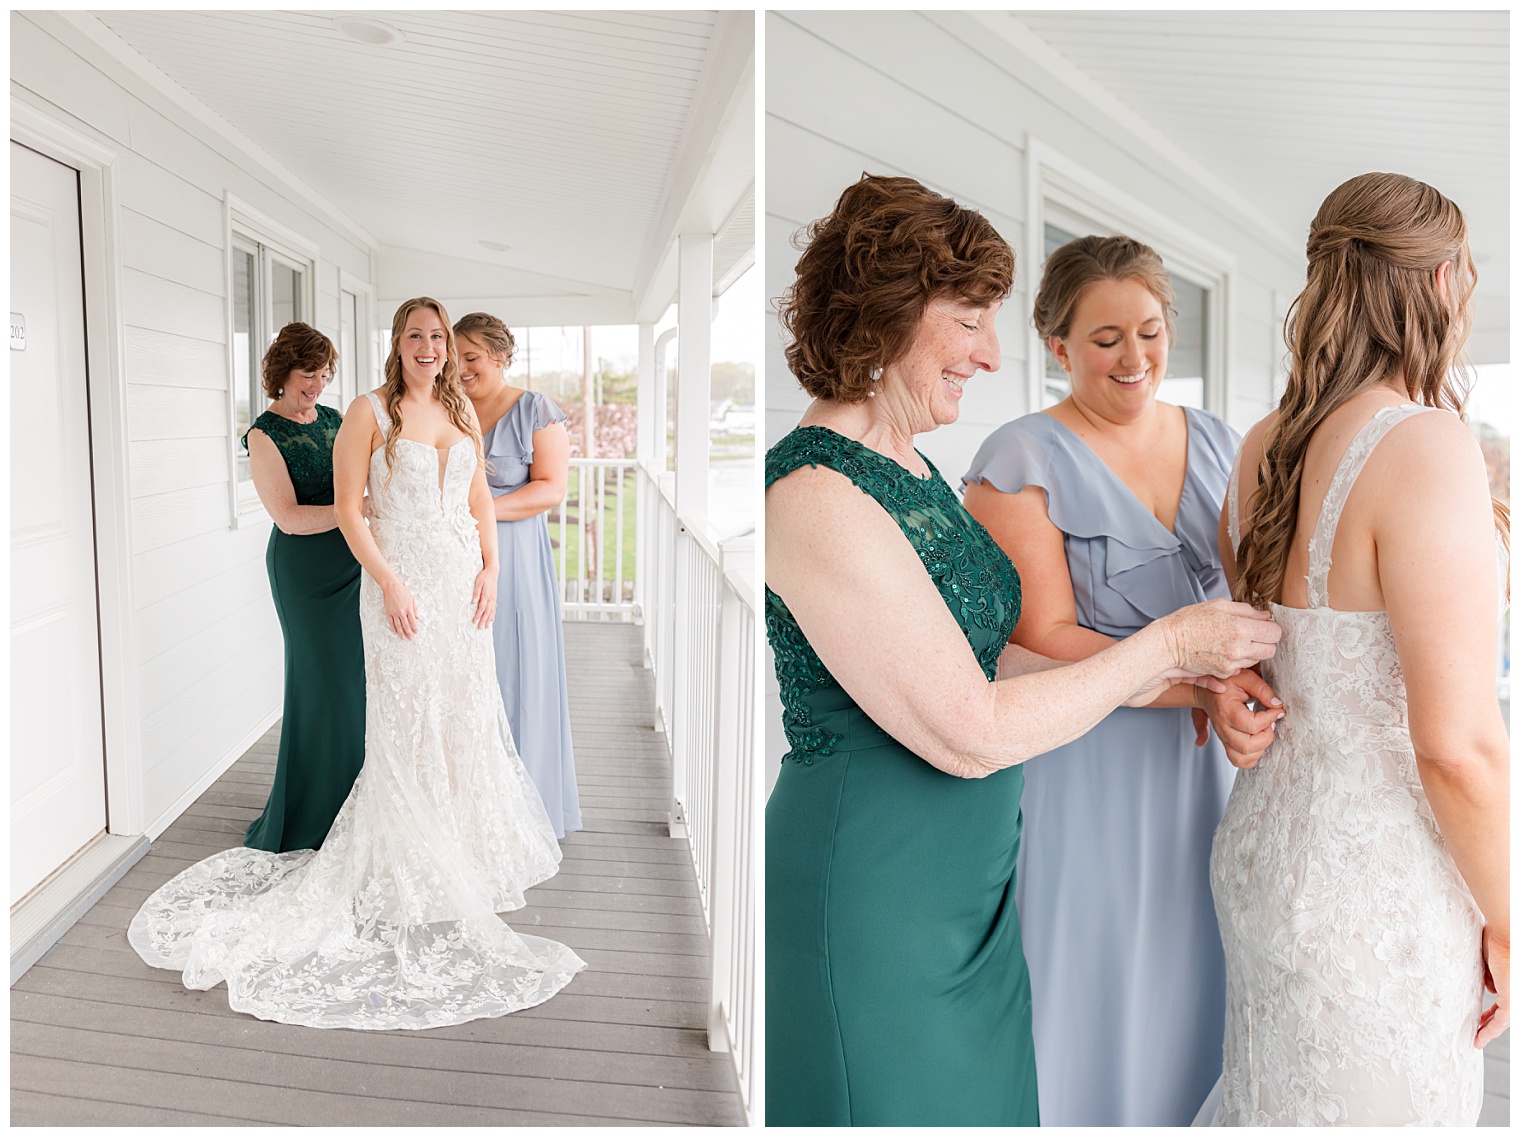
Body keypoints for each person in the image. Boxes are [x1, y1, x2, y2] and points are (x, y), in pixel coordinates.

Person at [764, 174, 1282, 1126]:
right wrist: (1171, 642)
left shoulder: (908, 465)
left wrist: (1194, 672)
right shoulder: (812, 495)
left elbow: (985, 663)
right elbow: (966, 726)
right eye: (968, 323)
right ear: (887, 316)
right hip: (881, 889)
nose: (991, 357)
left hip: (978, 885)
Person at [129, 298, 585, 1029]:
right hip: (399, 583)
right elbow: (349, 509)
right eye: (418, 336)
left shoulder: (462, 410)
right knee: (405, 716)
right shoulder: (371, 413)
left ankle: (461, 848)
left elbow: (480, 499)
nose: (431, 348)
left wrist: (492, 568)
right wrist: (391, 582)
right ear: (398, 343)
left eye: (439, 337)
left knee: (461, 712)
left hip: (462, 584)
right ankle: (408, 854)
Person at [1206, 172, 1509, 1124]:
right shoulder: (1427, 446)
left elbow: (1263, 642)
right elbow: (1455, 745)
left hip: (1264, 856)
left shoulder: (1264, 444)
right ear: (1442, 281)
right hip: (1378, 890)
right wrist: (1512, 913)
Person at [960, 237, 1281, 1125]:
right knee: (1093, 993)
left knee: (1206, 977)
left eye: (1149, 331)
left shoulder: (1222, 442)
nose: (1134, 359)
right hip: (1087, 772)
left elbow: (1265, 600)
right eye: (1105, 338)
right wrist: (1198, 689)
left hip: (1216, 774)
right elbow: (1042, 640)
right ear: (1057, 346)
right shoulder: (1019, 458)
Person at [240, 322, 366, 854]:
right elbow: (288, 517)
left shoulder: (336, 419)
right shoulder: (264, 435)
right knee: (320, 685)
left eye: (325, 373)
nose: (318, 383)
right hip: (305, 573)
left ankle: (354, 806)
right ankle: (308, 814)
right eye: (309, 373)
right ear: (283, 373)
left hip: (353, 561)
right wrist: (354, 514)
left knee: (356, 685)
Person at [455, 312, 581, 837]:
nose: (459, 369)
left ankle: (522, 814)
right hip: (455, 559)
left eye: (471, 358)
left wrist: (481, 510)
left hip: (516, 561)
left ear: (501, 358)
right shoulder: (444, 410)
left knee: (515, 672)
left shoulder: (535, 410)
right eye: (454, 358)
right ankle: (467, 806)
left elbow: (551, 487)